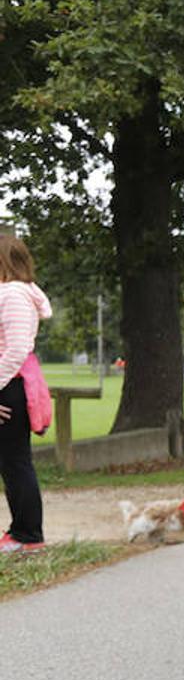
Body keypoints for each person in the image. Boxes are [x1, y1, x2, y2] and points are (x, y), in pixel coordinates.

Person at [0, 234, 52, 555]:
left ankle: (28, 535)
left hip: (8, 386)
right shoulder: (9, 293)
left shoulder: (13, 294)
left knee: (15, 462)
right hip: (8, 383)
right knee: (10, 462)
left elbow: (17, 348)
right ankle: (21, 532)